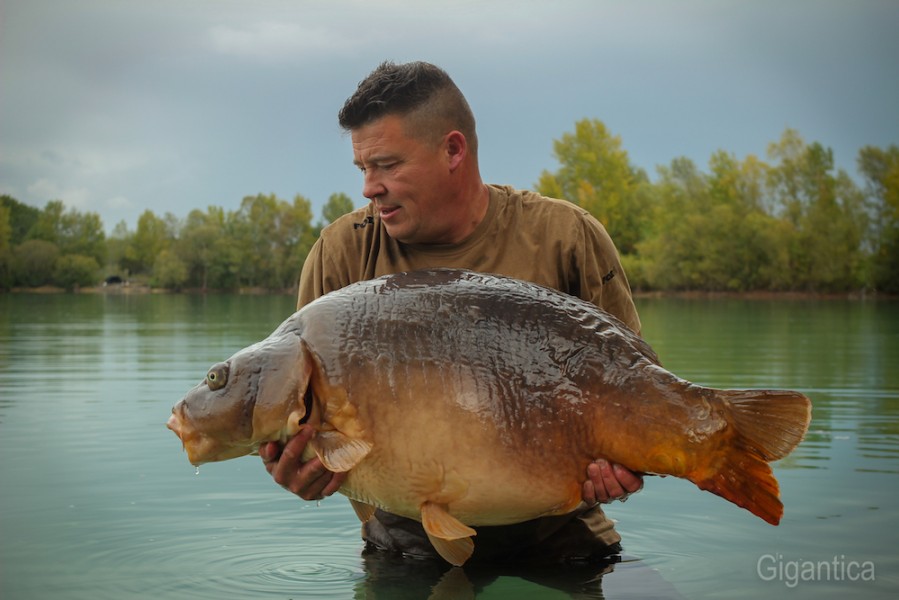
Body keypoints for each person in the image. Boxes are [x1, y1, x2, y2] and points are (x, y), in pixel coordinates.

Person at [260, 60, 644, 564]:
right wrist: (300, 471)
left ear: (453, 150)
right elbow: (310, 425)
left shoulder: (563, 238)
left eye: (388, 164)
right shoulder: (342, 255)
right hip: (405, 550)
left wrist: (626, 468)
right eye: (362, 168)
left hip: (563, 541)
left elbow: (636, 393)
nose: (369, 187)